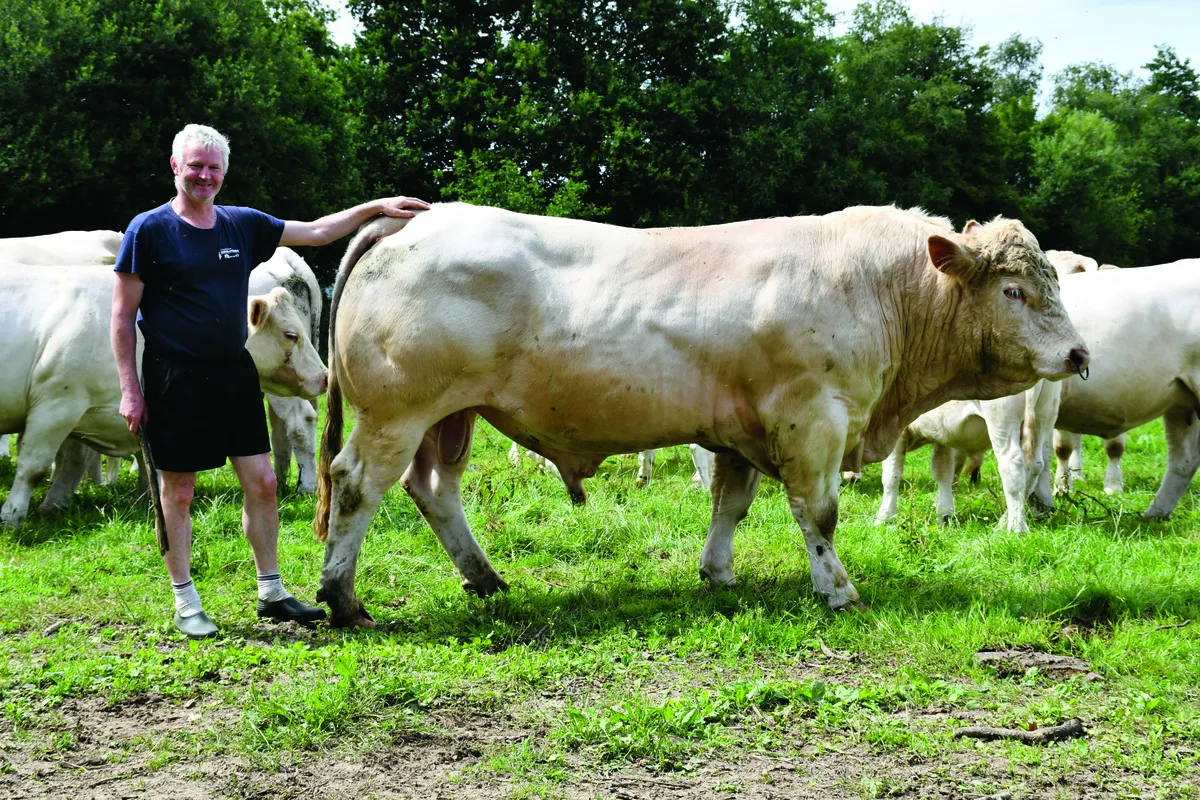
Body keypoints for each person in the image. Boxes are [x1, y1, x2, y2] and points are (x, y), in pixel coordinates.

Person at [111, 123, 430, 638]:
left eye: (214, 168)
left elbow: (319, 231)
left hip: (235, 372)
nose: (205, 175)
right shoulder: (147, 231)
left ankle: (271, 590)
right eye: (195, 165)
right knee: (180, 489)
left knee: (262, 482)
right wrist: (130, 388)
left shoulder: (240, 225)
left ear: (224, 173)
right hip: (174, 376)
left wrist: (377, 206)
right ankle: (185, 599)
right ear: (175, 166)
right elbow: (122, 317)